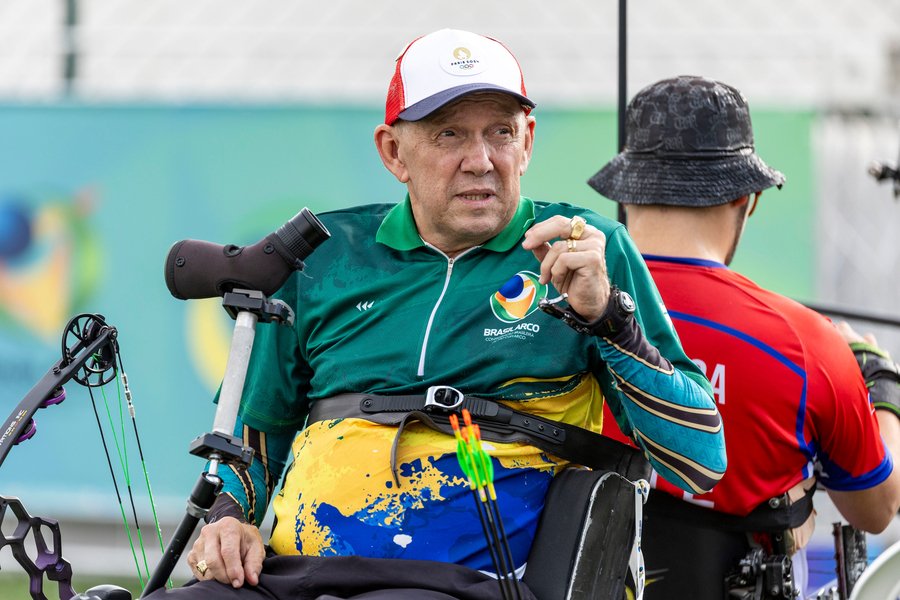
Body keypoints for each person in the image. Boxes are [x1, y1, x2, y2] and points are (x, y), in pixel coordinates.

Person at [147, 34, 726, 599]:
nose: (481, 161)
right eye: (450, 134)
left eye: (501, 132)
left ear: (527, 144)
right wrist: (228, 518)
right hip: (291, 575)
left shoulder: (586, 248)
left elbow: (701, 463)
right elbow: (256, 434)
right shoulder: (324, 255)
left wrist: (609, 321)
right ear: (393, 151)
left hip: (474, 585)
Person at [589, 75, 900, 599]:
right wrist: (880, 382)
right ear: (747, 200)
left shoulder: (551, 315)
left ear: (625, 190)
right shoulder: (810, 346)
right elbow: (878, 508)